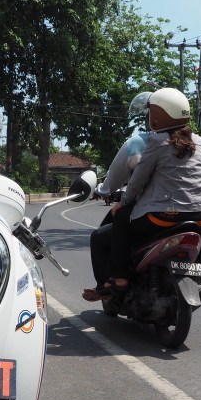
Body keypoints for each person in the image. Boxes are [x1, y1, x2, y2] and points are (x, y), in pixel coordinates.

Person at [95, 87, 201, 297]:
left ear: (157, 117)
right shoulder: (200, 141)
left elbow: (138, 180)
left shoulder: (156, 141)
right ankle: (198, 275)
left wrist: (125, 202)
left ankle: (120, 278)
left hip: (162, 217)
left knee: (121, 218)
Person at [83, 92, 151, 301]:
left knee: (108, 229)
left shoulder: (144, 143)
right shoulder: (194, 143)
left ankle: (111, 283)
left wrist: (103, 191)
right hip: (195, 212)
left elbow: (121, 180)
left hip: (150, 211)